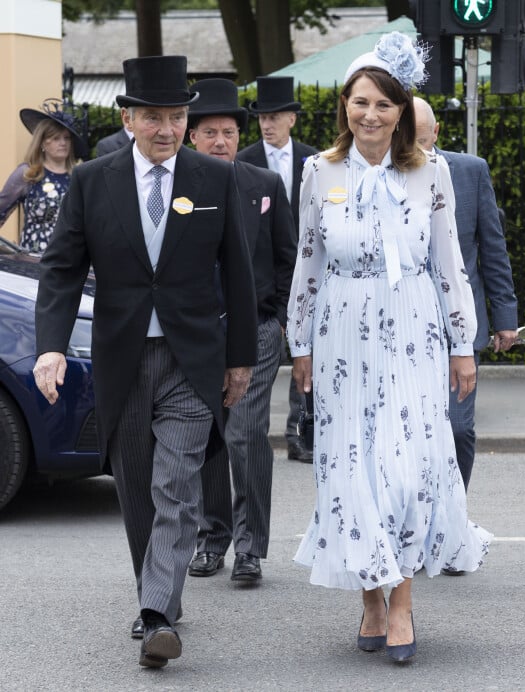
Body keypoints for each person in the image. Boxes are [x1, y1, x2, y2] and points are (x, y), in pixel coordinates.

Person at [32, 56, 257, 669]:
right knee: (135, 487)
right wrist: (51, 345)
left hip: (191, 362)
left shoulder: (215, 178)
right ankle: (156, 593)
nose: (167, 128)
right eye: (153, 116)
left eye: (177, 116)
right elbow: (60, 269)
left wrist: (240, 361)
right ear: (128, 118)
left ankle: (158, 613)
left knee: (176, 485)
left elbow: (238, 273)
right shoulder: (93, 180)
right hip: (122, 360)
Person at [287, 32, 492, 663]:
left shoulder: (431, 172)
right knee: (355, 472)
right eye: (359, 102)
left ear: (401, 111)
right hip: (342, 329)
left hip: (413, 331)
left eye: (382, 103)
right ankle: (372, 599)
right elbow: (308, 264)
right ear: (344, 106)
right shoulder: (319, 172)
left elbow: (450, 263)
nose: (369, 114)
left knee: (405, 471)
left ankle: (401, 601)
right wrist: (300, 345)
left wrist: (464, 344)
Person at [186, 78, 297, 582]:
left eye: (228, 132)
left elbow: (287, 257)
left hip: (256, 329)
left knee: (247, 433)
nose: (221, 142)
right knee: (208, 434)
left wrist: (276, 317)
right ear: (192, 138)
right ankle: (213, 538)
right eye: (209, 133)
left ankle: (250, 546)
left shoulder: (265, 186)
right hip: (198, 332)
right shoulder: (179, 189)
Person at [413, 97, 518, 493]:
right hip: (404, 326)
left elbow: (493, 248)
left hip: (459, 325)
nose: (418, 150)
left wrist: (505, 317)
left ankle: (452, 509)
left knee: (458, 429)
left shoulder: (470, 171)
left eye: (423, 139)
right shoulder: (384, 174)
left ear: (436, 133)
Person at [237, 76, 317, 463]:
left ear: (292, 119)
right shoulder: (242, 160)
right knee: (265, 355)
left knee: (306, 351)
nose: (267, 124)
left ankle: (298, 433)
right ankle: (255, 431)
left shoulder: (315, 159)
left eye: (274, 116)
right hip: (267, 274)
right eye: (261, 117)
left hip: (311, 266)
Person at [0, 99, 87, 252]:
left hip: (71, 260)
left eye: (67, 138)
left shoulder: (78, 175)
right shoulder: (27, 174)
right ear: (42, 143)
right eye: (56, 138)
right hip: (35, 262)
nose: (63, 143)